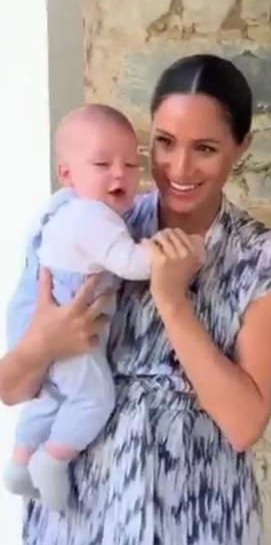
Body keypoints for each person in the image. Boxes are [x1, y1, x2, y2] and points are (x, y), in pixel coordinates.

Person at [0, 54, 271, 545]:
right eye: (164, 143)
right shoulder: (86, 222)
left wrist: (171, 299)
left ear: (240, 149)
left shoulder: (269, 263)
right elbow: (13, 385)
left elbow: (243, 420)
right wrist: (42, 342)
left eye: (204, 147)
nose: (179, 167)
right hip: (75, 533)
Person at [3, 103, 193, 511]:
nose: (119, 175)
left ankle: (19, 461)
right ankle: (52, 460)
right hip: (69, 324)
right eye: (102, 164)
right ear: (67, 173)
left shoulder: (61, 207)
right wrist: (169, 253)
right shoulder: (92, 217)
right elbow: (130, 262)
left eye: (130, 163)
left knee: (52, 395)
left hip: (34, 321)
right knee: (93, 397)